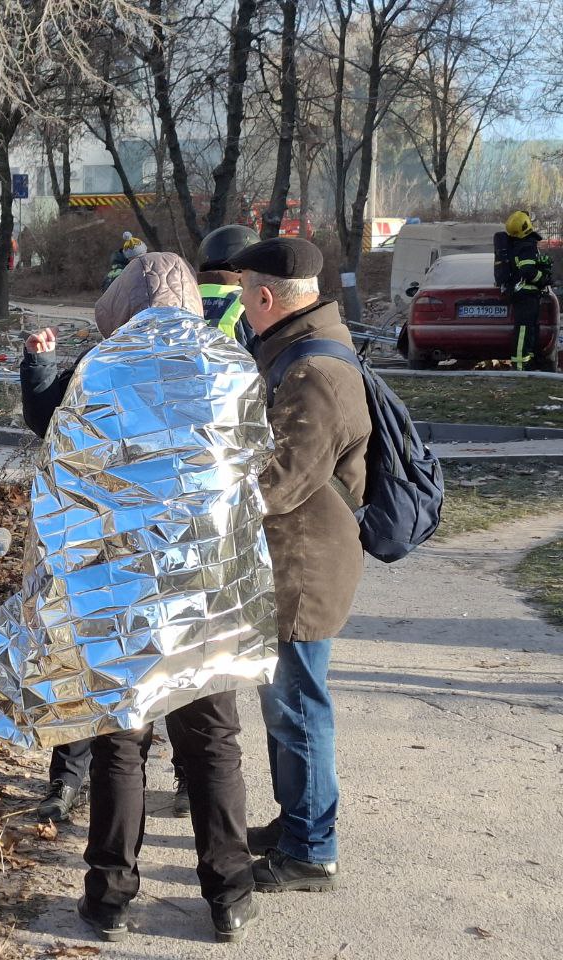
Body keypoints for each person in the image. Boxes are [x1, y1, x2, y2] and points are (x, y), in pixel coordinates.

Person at [21, 252, 258, 943]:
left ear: (121, 307)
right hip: (207, 582)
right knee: (213, 741)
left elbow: (58, 455)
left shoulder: (97, 375)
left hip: (118, 583)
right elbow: (252, 469)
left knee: (121, 741)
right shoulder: (229, 370)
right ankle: (229, 896)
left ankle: (110, 896)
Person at [228, 237, 370, 894]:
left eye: (242, 297)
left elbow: (279, 482)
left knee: (300, 707)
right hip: (288, 561)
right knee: (284, 704)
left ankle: (312, 848)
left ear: (265, 297)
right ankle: (296, 823)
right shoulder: (295, 354)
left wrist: (206, 504)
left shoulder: (313, 373)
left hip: (304, 568)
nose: (239, 310)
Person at [494, 211, 551, 370]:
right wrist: (543, 278)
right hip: (525, 295)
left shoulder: (519, 245)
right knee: (524, 329)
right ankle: (520, 364)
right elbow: (528, 271)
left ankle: (529, 360)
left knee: (530, 328)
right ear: (526, 225)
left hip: (525, 294)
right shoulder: (527, 246)